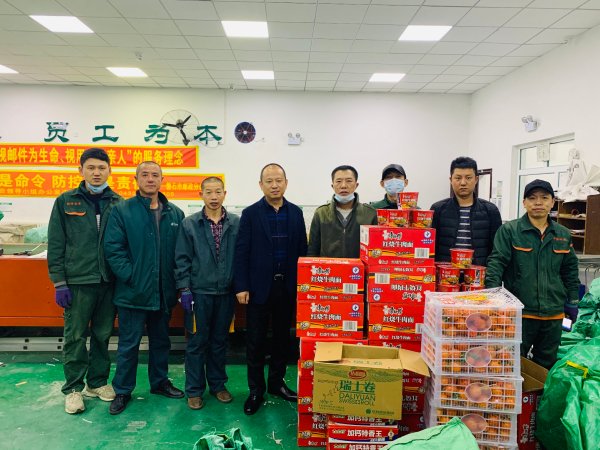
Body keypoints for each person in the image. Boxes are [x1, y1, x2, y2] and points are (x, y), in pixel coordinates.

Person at [104, 161, 185, 415]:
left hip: (163, 292)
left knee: (161, 342)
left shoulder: (175, 213)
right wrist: (132, 277)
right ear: (136, 179)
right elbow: (113, 249)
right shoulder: (122, 210)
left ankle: (159, 383)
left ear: (162, 179)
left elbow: (180, 253)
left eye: (155, 175)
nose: (150, 179)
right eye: (145, 175)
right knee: (129, 344)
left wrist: (176, 283)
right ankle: (122, 390)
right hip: (132, 293)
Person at [47, 147, 123, 414]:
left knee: (103, 335)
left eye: (101, 168)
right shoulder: (65, 201)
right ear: (81, 170)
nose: (96, 173)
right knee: (75, 336)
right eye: (91, 168)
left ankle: (97, 382)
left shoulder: (119, 202)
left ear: (109, 171)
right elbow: (56, 244)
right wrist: (59, 283)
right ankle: (73, 389)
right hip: (78, 282)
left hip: (108, 282)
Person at [234, 163, 308, 416]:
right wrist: (242, 286)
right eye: (269, 181)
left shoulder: (296, 213)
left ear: (286, 183)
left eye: (278, 180)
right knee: (255, 341)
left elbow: (302, 250)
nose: (274, 185)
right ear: (261, 185)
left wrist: (302, 286)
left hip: (286, 287)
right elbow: (241, 251)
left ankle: (277, 384)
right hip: (258, 289)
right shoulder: (250, 214)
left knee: (281, 340)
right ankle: (256, 390)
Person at [486, 179, 580, 369]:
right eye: (532, 198)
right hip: (520, 313)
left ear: (552, 202)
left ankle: (540, 390)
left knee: (546, 365)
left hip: (553, 313)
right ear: (524, 202)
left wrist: (572, 301)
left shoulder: (562, 234)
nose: (538, 202)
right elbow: (496, 265)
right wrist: (493, 300)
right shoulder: (510, 231)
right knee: (512, 362)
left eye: (544, 198)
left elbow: (570, 270)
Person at [174, 177, 240, 410]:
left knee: (220, 342)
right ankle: (194, 390)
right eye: (209, 192)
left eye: (218, 192)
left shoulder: (236, 223)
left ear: (225, 194)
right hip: (199, 294)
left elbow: (241, 257)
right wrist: (184, 288)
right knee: (196, 342)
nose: (213, 197)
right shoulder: (190, 224)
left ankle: (218, 385)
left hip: (226, 293)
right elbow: (181, 258)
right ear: (201, 194)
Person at [430, 156, 502, 266]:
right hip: (445, 274)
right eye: (458, 178)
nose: (463, 183)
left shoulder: (491, 211)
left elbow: (497, 251)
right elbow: (430, 246)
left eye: (468, 178)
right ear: (451, 180)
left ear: (476, 179)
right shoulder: (438, 209)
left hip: (478, 275)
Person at [308, 165, 377, 258]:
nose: (343, 186)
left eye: (349, 181)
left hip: (358, 267)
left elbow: (376, 250)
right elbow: (312, 249)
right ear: (332, 186)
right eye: (338, 181)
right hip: (329, 267)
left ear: (356, 185)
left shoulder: (370, 214)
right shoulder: (321, 213)